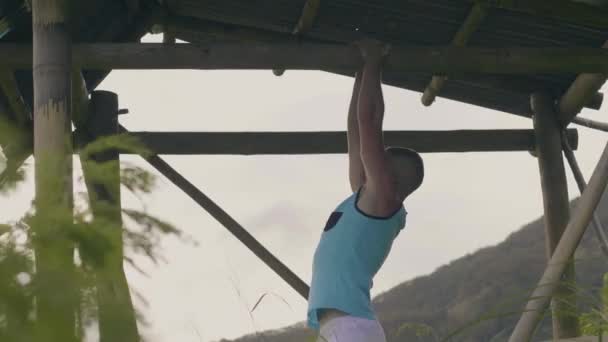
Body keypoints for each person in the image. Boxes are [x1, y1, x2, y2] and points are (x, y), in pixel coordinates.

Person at [307, 40, 425, 342]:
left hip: (352, 329)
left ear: (392, 180)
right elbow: (356, 129)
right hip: (339, 328)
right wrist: (363, 69)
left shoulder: (383, 200)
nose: (372, 157)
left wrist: (374, 63)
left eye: (381, 160)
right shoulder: (363, 198)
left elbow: (370, 122)